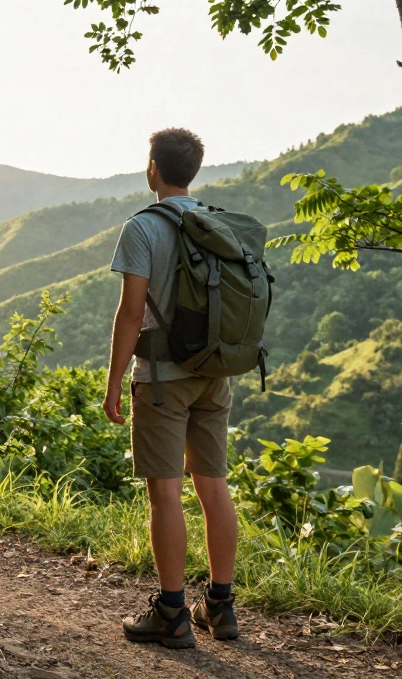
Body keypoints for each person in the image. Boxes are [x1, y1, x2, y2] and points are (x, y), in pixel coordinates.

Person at [102, 127, 239, 649]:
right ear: (194, 171)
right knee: (213, 487)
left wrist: (114, 381)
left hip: (162, 377)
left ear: (153, 168)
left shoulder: (143, 227)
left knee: (165, 493)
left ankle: (172, 613)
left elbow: (131, 312)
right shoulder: (216, 222)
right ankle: (220, 607)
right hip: (215, 372)